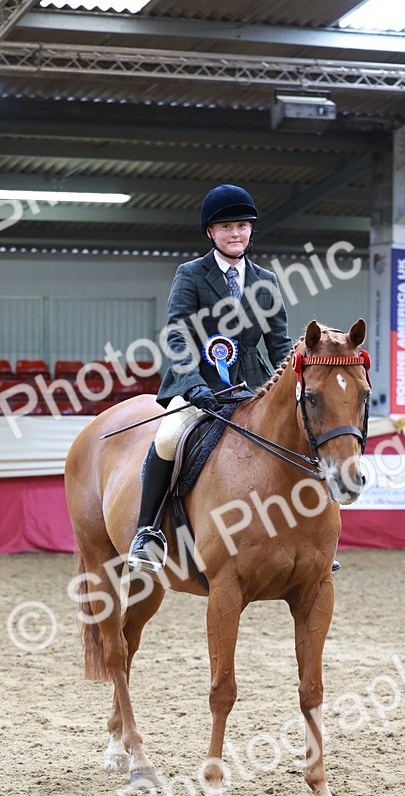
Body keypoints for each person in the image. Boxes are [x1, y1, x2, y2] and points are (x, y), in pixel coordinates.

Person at [127, 184, 293, 572]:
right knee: (168, 438)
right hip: (200, 385)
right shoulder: (191, 274)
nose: (236, 234)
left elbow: (280, 343)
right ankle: (146, 531)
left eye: (242, 226)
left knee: (299, 435)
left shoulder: (265, 280)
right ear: (210, 233)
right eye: (226, 227)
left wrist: (291, 386)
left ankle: (309, 535)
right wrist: (192, 384)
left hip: (254, 387)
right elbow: (178, 334)